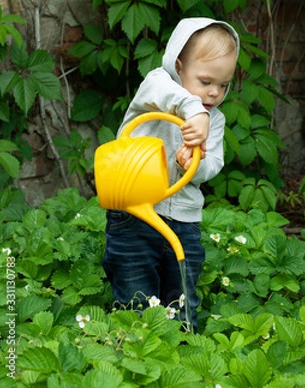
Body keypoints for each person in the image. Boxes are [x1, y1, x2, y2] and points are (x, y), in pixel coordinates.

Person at [102, 17, 239, 332]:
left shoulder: (214, 120)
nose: (214, 93)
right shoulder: (157, 85)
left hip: (183, 222)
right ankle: (134, 348)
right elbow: (173, 96)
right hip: (132, 214)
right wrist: (196, 112)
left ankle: (181, 350)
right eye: (205, 81)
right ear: (179, 66)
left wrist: (193, 162)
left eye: (224, 85)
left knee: (182, 299)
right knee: (134, 295)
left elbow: (210, 168)